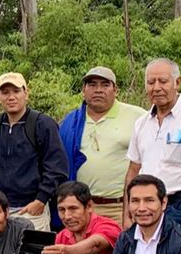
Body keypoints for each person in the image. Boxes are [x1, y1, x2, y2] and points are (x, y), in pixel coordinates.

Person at [124, 59, 181, 235]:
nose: (156, 88)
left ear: (177, 82)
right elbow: (133, 171)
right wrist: (127, 214)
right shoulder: (141, 123)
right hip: (146, 208)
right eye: (150, 82)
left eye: (163, 81)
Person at [0, 72, 68, 232]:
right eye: (5, 93)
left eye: (16, 91)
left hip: (31, 210)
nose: (11, 97)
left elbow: (57, 168)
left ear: (26, 93)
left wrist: (41, 199)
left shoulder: (43, 124)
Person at [57, 67, 144, 224]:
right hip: (82, 208)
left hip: (120, 207)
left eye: (105, 85)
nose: (98, 90)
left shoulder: (137, 117)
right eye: (92, 85)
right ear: (83, 90)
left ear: (115, 90)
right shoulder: (71, 121)